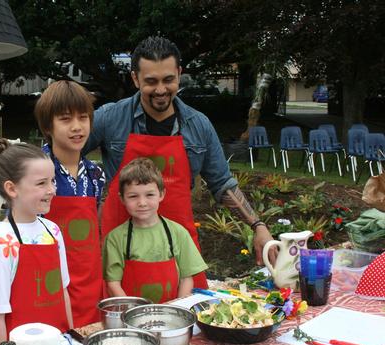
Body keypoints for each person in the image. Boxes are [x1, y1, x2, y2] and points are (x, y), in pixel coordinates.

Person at [83, 36, 276, 285]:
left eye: (168, 80)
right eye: (151, 81)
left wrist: (257, 225)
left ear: (179, 73)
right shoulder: (110, 118)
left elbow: (222, 183)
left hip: (178, 252)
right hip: (122, 250)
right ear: (135, 79)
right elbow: (64, 156)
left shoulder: (198, 126)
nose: (161, 90)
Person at [0, 139, 73, 345]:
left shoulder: (53, 231)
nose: (52, 189)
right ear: (12, 189)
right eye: (42, 183)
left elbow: (63, 292)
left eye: (53, 181)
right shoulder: (1, 244)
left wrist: (71, 336)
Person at [35, 80, 105, 327]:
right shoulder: (35, 172)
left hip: (89, 281)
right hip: (48, 279)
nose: (77, 127)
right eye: (65, 119)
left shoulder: (96, 174)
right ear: (48, 126)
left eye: (83, 118)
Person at [104, 158, 207, 302]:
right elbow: (113, 283)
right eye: (133, 196)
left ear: (161, 194)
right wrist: (131, 312)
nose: (142, 203)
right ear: (122, 199)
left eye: (149, 195)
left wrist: (176, 309)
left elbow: (186, 279)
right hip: (131, 315)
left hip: (171, 312)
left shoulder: (178, 233)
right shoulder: (115, 238)